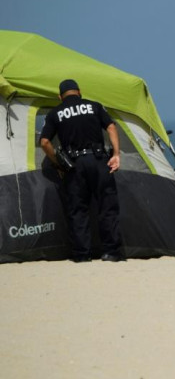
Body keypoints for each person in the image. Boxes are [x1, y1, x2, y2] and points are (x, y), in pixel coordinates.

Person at [39, 79, 124, 262]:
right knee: (107, 207)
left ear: (60, 96)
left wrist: (58, 163)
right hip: (100, 160)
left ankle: (82, 255)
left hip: (74, 166)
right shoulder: (95, 106)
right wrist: (116, 154)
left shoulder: (56, 113)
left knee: (78, 210)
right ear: (80, 92)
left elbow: (44, 142)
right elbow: (111, 127)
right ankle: (112, 252)